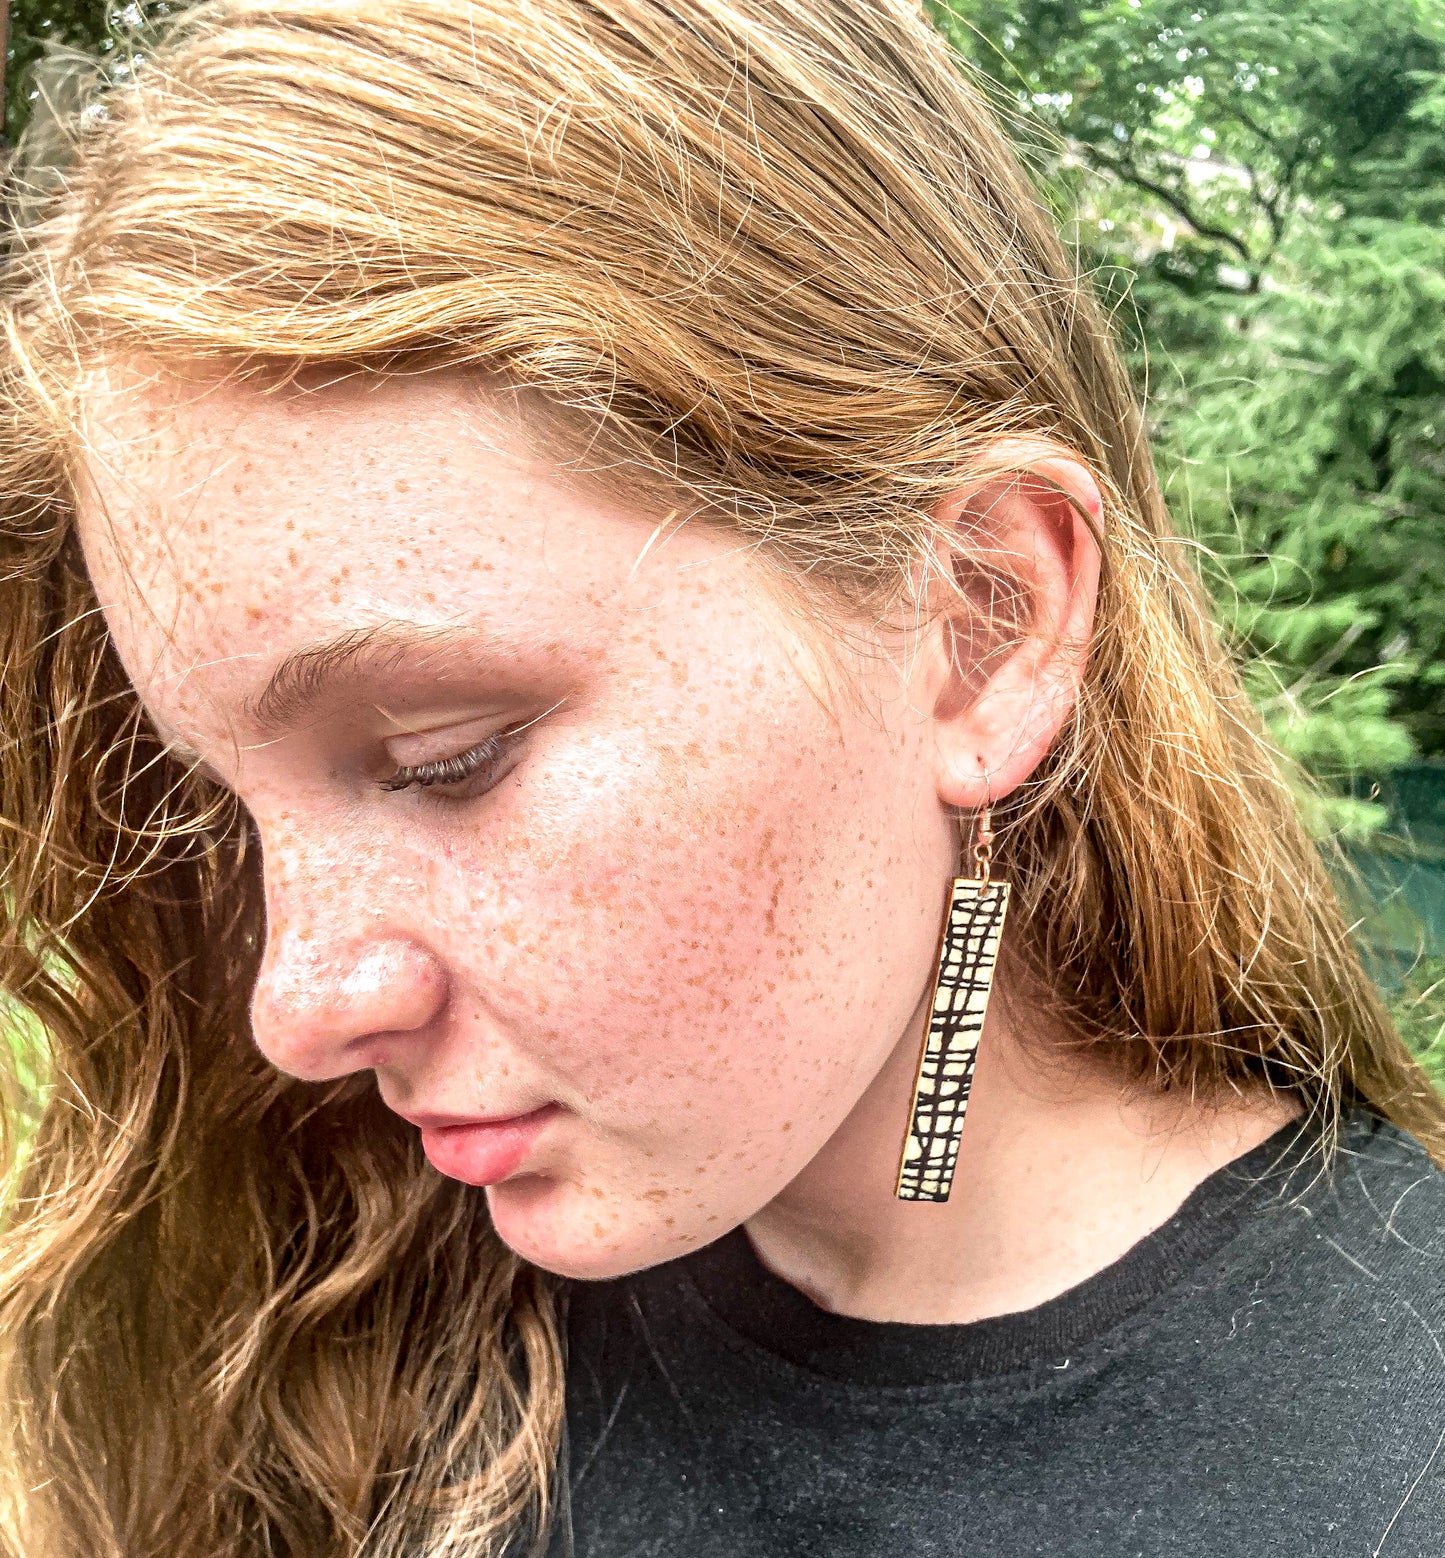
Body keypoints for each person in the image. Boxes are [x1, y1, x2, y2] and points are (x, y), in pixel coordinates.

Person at [0, 1, 1440, 1553]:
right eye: (217, 801)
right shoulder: (330, 1327)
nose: (296, 1007)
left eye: (444, 758)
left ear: (979, 622)